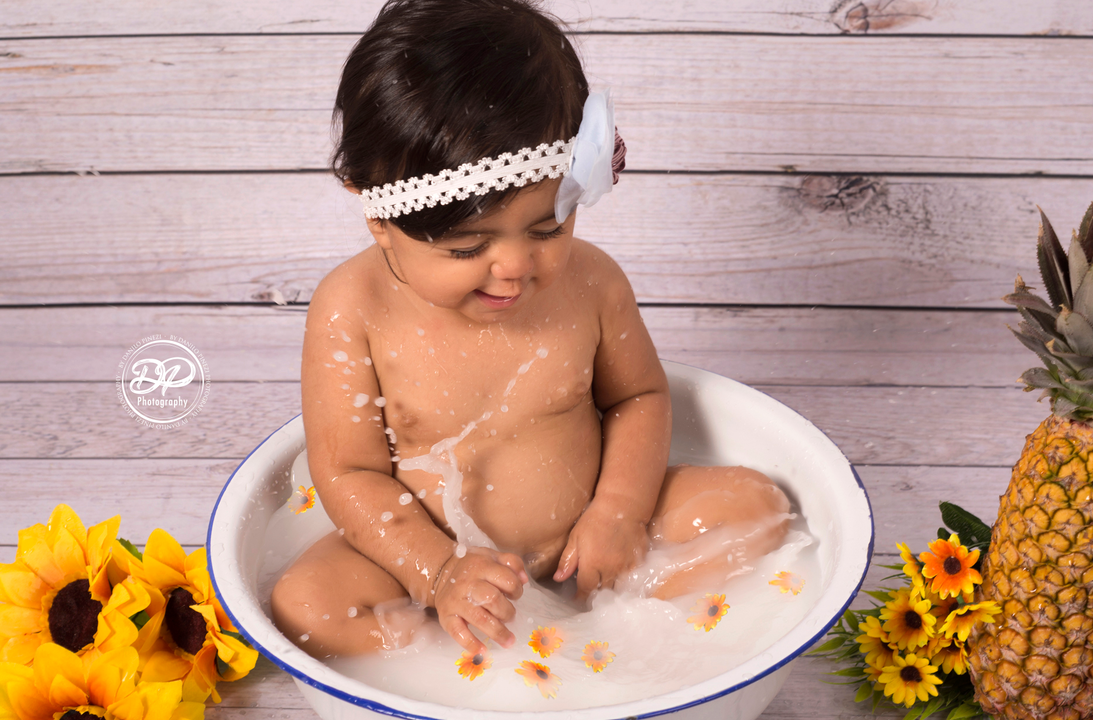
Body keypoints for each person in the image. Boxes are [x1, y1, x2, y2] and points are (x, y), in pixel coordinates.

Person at [271, 0, 791, 659]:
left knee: (757, 505)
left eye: (548, 229)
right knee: (308, 606)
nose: (515, 266)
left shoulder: (592, 282)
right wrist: (435, 570)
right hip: (427, 558)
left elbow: (638, 398)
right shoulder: (352, 309)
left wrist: (619, 514)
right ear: (378, 219)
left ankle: (599, 633)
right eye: (467, 247)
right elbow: (348, 472)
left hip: (587, 543)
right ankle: (465, 646)